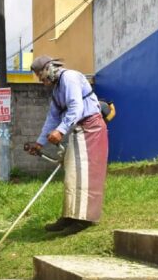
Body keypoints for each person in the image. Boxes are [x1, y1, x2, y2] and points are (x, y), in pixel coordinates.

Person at [28, 55, 109, 235]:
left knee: (84, 175)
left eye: (41, 76)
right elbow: (53, 117)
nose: (41, 81)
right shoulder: (57, 89)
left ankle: (83, 219)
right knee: (72, 174)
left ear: (48, 69)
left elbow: (76, 108)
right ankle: (70, 216)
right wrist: (40, 143)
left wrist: (61, 130)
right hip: (79, 129)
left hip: (91, 127)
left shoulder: (70, 78)